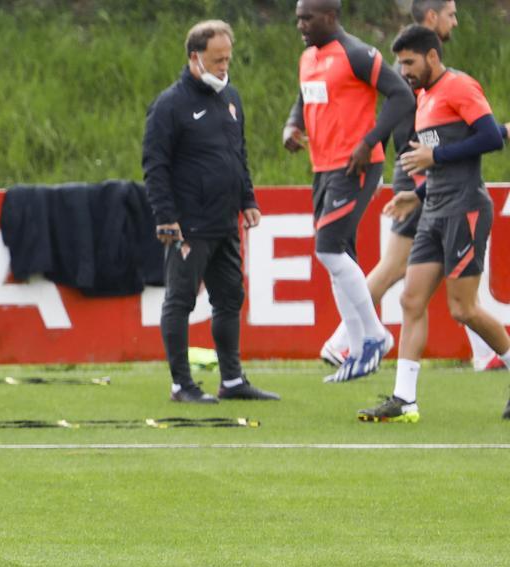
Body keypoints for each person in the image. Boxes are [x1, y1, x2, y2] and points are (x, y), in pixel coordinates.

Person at [361, 26, 510, 422]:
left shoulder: (459, 86)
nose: (404, 70)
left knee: (463, 309)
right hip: (434, 209)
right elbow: (437, 159)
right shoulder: (423, 97)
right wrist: (417, 195)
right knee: (411, 300)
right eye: (401, 63)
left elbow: (491, 138)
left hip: (465, 209)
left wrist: (436, 158)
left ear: (431, 56)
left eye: (409, 62)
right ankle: (404, 400)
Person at [143, 20, 279, 404]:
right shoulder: (169, 105)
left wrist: (247, 199)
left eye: (227, 59)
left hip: (224, 222)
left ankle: (232, 380)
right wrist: (165, 216)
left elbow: (238, 154)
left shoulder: (230, 97)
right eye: (217, 60)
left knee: (230, 298)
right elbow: (155, 165)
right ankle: (180, 384)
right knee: (181, 300)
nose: (224, 67)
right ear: (194, 57)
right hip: (189, 223)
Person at [283, 0, 415, 383]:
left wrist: (369, 141)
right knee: (339, 259)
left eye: (306, 18)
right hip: (323, 167)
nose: (300, 25)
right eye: (297, 19)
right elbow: (303, 98)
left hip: (356, 165)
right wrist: (291, 126)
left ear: (329, 16)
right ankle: (357, 350)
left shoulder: (357, 53)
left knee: (327, 248)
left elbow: (401, 96)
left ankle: (375, 335)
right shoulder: (309, 56)